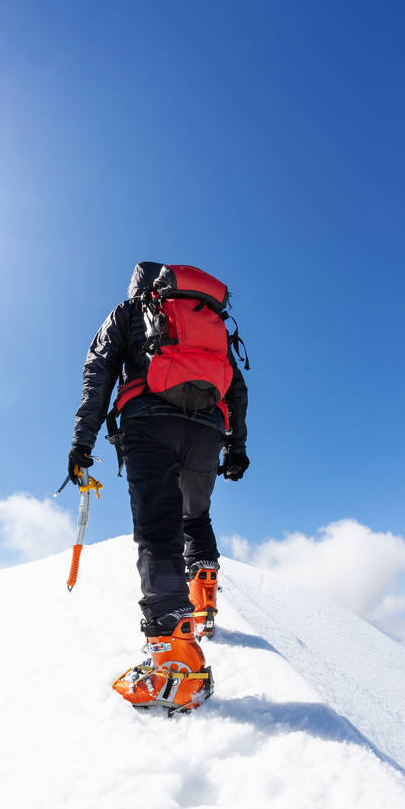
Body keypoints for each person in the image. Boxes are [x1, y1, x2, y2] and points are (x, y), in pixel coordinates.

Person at [68, 261, 249, 712]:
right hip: (208, 431)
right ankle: (202, 590)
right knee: (195, 515)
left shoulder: (130, 311)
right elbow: (237, 387)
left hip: (150, 423)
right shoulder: (206, 320)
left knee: (157, 529)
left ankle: (174, 661)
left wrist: (81, 443)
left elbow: (99, 373)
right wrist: (236, 448)